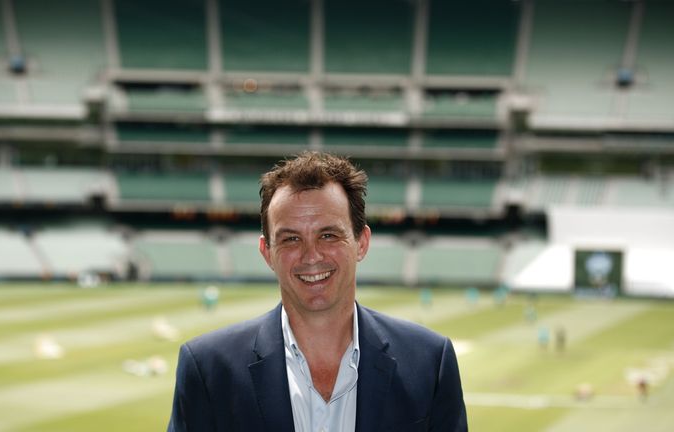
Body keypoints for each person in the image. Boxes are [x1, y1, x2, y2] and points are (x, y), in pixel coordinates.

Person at [167, 151, 467, 431]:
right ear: (267, 252)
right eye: (291, 239)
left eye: (328, 235)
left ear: (361, 242)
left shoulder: (429, 362)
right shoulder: (208, 370)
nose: (311, 256)